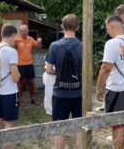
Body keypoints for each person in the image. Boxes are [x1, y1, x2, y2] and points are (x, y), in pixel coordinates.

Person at [96, 15, 124, 149]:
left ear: (112, 26)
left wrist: (98, 88)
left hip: (117, 89)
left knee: (118, 125)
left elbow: (105, 68)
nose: (106, 30)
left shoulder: (112, 43)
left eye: (106, 28)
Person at [45, 14, 83, 149]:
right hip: (78, 93)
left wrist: (60, 72)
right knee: (79, 127)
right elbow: (86, 72)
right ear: (77, 27)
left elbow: (48, 70)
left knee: (59, 128)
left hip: (60, 94)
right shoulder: (82, 46)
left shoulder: (54, 46)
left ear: (62, 27)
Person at [15, 25, 42, 105]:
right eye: (22, 31)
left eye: (25, 30)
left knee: (31, 82)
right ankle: (19, 99)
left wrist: (39, 41)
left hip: (29, 64)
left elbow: (38, 47)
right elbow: (11, 47)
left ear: (28, 31)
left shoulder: (30, 39)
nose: (24, 32)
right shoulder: (16, 39)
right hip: (20, 64)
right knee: (22, 82)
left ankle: (33, 98)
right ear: (20, 32)